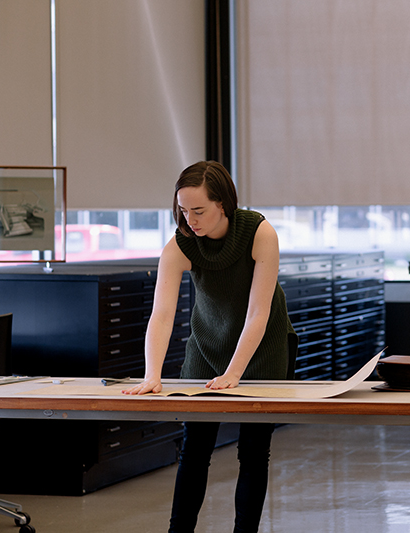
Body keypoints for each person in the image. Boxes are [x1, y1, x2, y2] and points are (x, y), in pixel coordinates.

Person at [123, 160, 297, 533]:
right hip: (206, 345)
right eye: (183, 211)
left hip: (262, 346)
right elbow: (162, 314)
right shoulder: (181, 243)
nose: (191, 220)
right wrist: (152, 374)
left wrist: (234, 373)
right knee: (194, 451)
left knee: (253, 454)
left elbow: (258, 312)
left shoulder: (259, 232)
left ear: (223, 203)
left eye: (198, 210)